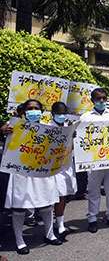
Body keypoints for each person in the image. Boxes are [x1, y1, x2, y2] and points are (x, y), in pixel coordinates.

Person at [2, 99, 62, 254]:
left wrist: (68, 138)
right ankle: (20, 240)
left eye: (36, 108)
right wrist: (1, 131)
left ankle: (49, 234)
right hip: (21, 172)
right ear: (24, 110)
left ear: (41, 111)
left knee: (47, 203)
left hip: (42, 171)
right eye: (30, 108)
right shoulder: (14, 125)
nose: (33, 111)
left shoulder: (49, 127)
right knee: (20, 207)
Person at [80, 88, 109, 233]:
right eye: (98, 98)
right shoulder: (85, 117)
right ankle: (92, 218)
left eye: (104, 98)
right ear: (92, 100)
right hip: (94, 161)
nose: (101, 101)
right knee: (93, 191)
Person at [50, 102, 77, 241]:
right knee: (57, 196)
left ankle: (58, 220)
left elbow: (72, 148)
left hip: (67, 165)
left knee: (66, 194)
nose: (62, 116)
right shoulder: (47, 127)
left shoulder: (68, 127)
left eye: (64, 113)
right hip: (52, 167)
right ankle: (58, 225)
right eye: (59, 113)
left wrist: (73, 137)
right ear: (52, 114)